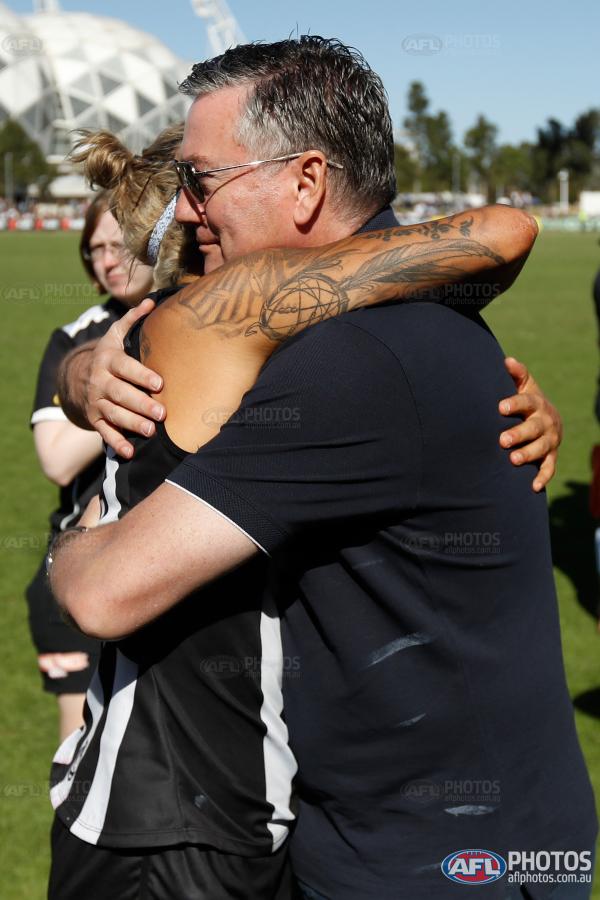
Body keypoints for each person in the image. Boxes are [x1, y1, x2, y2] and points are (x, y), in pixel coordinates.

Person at [50, 37, 595, 899]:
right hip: (485, 832)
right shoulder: (399, 325)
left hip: (429, 859)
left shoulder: (349, 359)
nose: (189, 211)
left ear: (305, 183)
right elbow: (491, 241)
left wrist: (68, 542)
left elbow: (103, 591)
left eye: (203, 181)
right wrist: (80, 376)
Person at [25, 191, 153, 740]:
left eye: (120, 243)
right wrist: (103, 381)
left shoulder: (195, 320)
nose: (107, 258)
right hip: (81, 566)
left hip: (163, 561)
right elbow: (54, 461)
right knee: (79, 753)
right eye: (95, 248)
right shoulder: (75, 340)